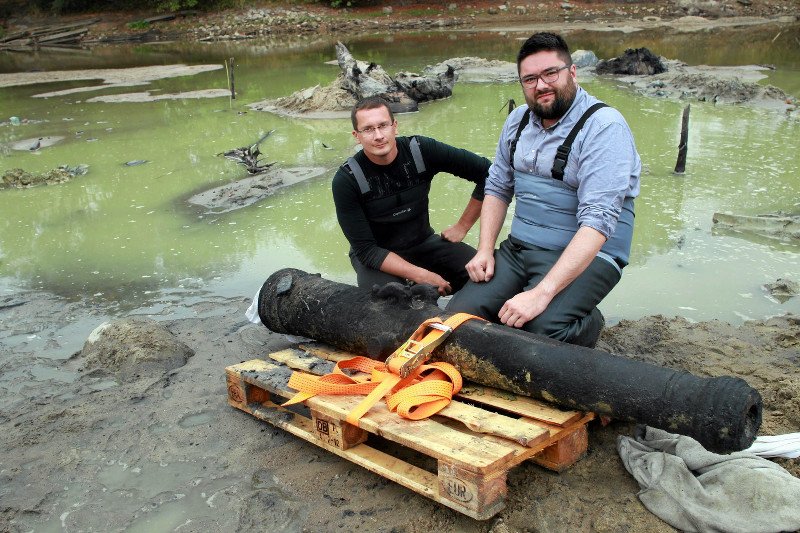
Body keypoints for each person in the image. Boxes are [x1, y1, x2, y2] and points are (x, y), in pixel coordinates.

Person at [448, 32, 641, 347]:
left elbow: (598, 220)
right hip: (521, 248)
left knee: (539, 332)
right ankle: (537, 298)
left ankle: (588, 322)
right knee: (457, 320)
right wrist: (485, 249)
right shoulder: (516, 122)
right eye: (530, 79)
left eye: (551, 73)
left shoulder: (605, 127)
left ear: (572, 72)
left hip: (590, 254)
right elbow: (497, 186)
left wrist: (541, 293)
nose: (541, 85)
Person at [332, 96, 491, 296]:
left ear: (395, 126)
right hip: (377, 258)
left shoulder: (421, 150)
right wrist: (422, 276)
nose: (378, 135)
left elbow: (489, 173)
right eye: (369, 129)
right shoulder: (347, 180)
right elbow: (366, 251)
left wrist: (462, 226)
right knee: (389, 301)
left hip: (423, 243)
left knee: (485, 275)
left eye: (383, 125)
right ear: (357, 135)